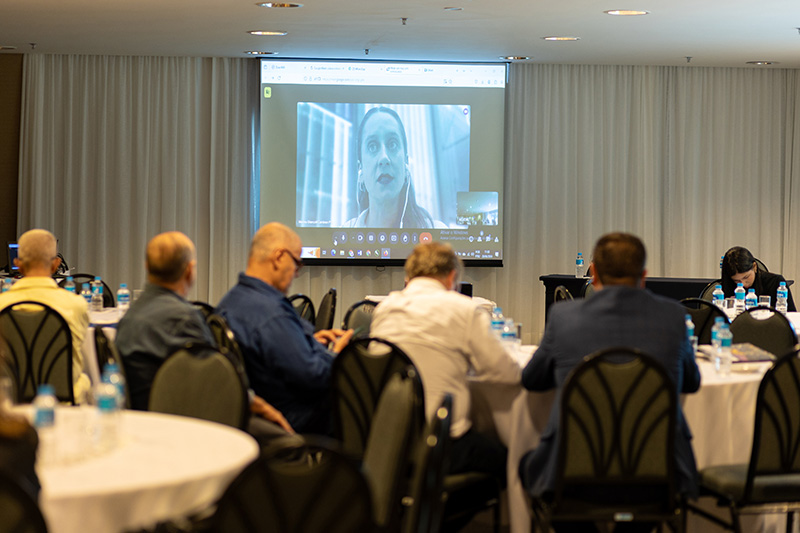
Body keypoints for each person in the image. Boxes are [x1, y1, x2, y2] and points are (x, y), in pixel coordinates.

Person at [519, 233, 701, 528]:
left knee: (525, 465)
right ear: (643, 275)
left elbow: (532, 380)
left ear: (593, 272)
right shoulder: (673, 316)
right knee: (646, 498)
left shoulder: (564, 317)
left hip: (572, 472)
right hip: (658, 472)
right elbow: (691, 382)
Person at [115, 231, 293, 438]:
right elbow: (217, 382)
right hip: (180, 422)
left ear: (147, 267)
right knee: (283, 438)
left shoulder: (131, 315)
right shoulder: (183, 318)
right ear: (189, 271)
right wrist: (262, 407)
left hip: (143, 419)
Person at [370, 242, 521, 482]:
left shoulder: (383, 309)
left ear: (408, 277)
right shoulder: (463, 309)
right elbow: (506, 373)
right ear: (452, 276)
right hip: (443, 443)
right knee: (515, 462)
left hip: (388, 442)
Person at [216, 223, 353, 435]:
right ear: (279, 257)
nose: (296, 273)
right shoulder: (271, 313)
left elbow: (271, 352)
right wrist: (336, 354)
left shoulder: (232, 300)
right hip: (296, 419)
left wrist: (306, 341)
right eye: (297, 263)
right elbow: (315, 378)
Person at [0, 229, 91, 403]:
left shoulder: (2, 305)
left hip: (11, 405)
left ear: (17, 263)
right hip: (64, 404)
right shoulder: (76, 305)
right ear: (56, 264)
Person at [343, 106, 446, 229]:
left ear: (406, 163)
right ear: (361, 169)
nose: (384, 158)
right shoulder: (345, 234)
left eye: (392, 144)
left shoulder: (437, 232)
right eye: (372, 146)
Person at [721, 246, 796, 311]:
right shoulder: (728, 285)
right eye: (736, 281)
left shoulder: (776, 282)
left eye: (746, 277)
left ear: (754, 267)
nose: (742, 284)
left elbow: (791, 315)